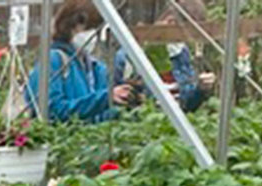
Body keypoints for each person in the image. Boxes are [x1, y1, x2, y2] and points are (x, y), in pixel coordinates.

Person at [31, 0, 212, 123]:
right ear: (71, 25)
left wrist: (131, 105)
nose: (94, 35)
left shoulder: (95, 68)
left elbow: (101, 118)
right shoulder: (54, 61)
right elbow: (50, 112)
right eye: (92, 28)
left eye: (98, 29)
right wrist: (107, 97)